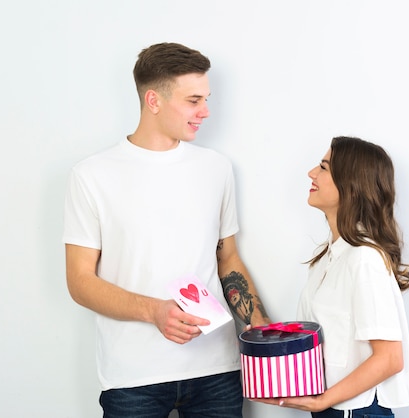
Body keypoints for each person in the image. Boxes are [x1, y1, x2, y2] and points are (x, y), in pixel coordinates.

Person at [62, 42, 270, 418]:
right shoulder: (92, 175)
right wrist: (153, 311)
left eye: (206, 99)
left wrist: (262, 327)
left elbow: (228, 259)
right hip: (133, 377)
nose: (205, 112)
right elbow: (79, 281)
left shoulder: (216, 168)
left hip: (217, 371)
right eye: (194, 100)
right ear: (153, 100)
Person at [258, 136, 409, 417]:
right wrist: (266, 334)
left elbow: (390, 359)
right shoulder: (328, 258)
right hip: (335, 409)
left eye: (323, 167)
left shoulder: (364, 259)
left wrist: (322, 401)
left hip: (355, 411)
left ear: (352, 185)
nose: (311, 173)